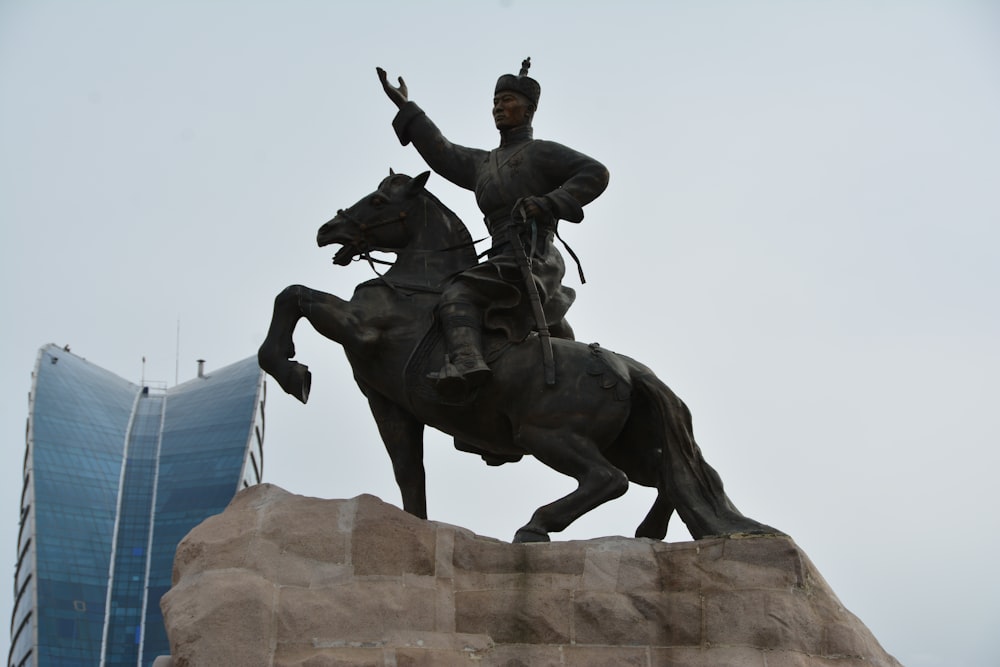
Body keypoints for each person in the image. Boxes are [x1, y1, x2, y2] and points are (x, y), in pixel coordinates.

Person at [377, 58, 609, 395]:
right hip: (500, 257)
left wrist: (548, 202)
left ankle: (467, 361)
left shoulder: (541, 152)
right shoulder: (483, 164)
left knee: (457, 294)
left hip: (533, 255)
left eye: (508, 101)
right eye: (495, 102)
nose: (499, 108)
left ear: (528, 111)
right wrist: (406, 107)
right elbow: (442, 151)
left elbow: (595, 173)